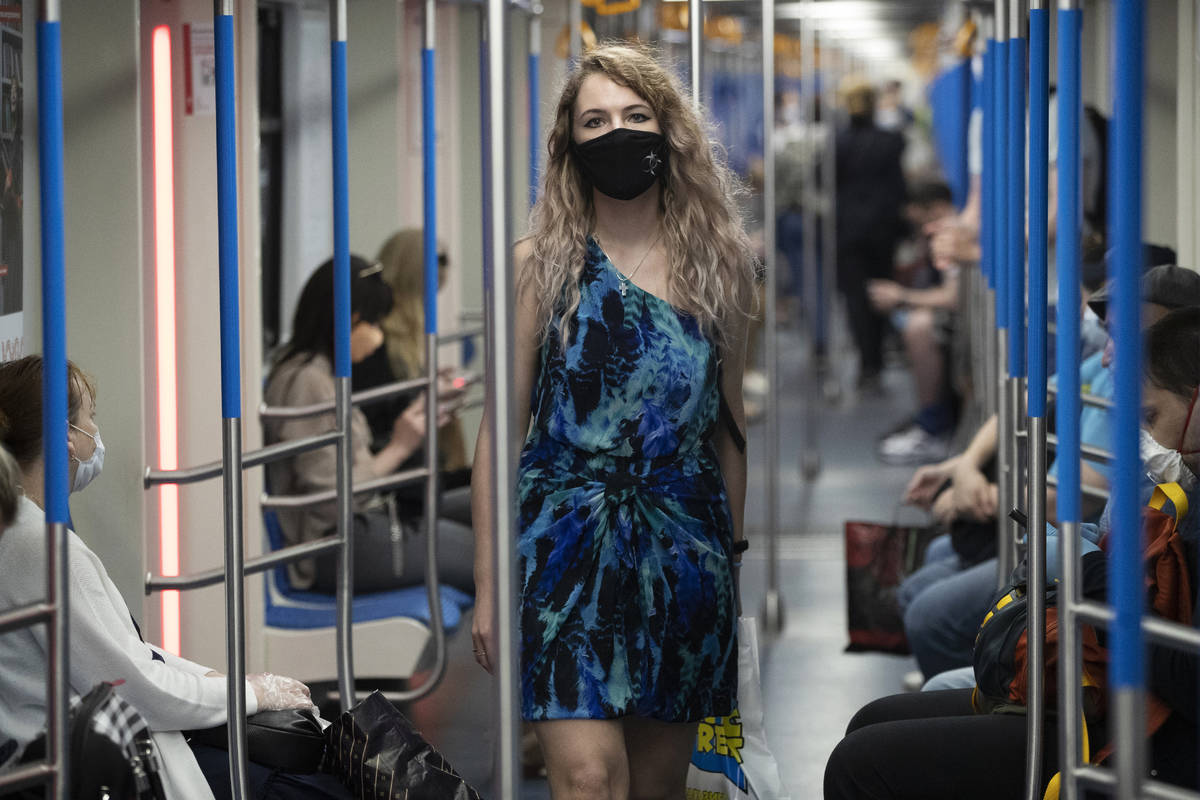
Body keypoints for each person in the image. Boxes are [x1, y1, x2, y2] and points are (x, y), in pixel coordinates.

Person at [470, 43, 755, 799]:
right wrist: (490, 586)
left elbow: (726, 430)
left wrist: (727, 565)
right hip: (563, 543)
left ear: (670, 131)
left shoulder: (720, 264)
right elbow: (501, 433)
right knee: (591, 778)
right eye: (596, 120)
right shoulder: (539, 264)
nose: (618, 134)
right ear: (570, 143)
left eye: (636, 116)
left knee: (656, 788)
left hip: (683, 552)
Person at [824, 306, 1200, 799]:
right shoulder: (1178, 489)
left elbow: (1186, 675)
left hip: (1141, 738)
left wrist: (1087, 573)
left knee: (862, 761)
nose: (1141, 438)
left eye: (1151, 417)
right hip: (1105, 693)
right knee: (872, 719)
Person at [0, 356, 349, 800]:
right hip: (91, 763)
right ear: (68, 438)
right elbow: (136, 689)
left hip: (62, 745)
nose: (97, 434)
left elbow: (120, 654)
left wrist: (213, 680)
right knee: (316, 784)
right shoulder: (44, 547)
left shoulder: (20, 528)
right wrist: (252, 693)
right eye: (91, 418)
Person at [263, 255, 475, 595]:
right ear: (348, 321)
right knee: (490, 559)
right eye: (373, 324)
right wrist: (400, 447)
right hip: (331, 545)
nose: (378, 336)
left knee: (491, 510)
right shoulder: (307, 382)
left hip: (359, 523)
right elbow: (333, 500)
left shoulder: (323, 375)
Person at [869, 180, 961, 464]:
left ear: (934, 210)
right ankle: (928, 417)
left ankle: (933, 426)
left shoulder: (951, 234)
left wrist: (902, 297)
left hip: (968, 316)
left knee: (918, 327)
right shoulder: (937, 235)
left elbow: (952, 297)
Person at [835, 78, 907, 392]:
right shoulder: (891, 141)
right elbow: (899, 187)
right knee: (882, 291)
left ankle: (867, 363)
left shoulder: (838, 143)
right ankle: (876, 359)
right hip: (883, 229)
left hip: (849, 229)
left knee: (856, 298)